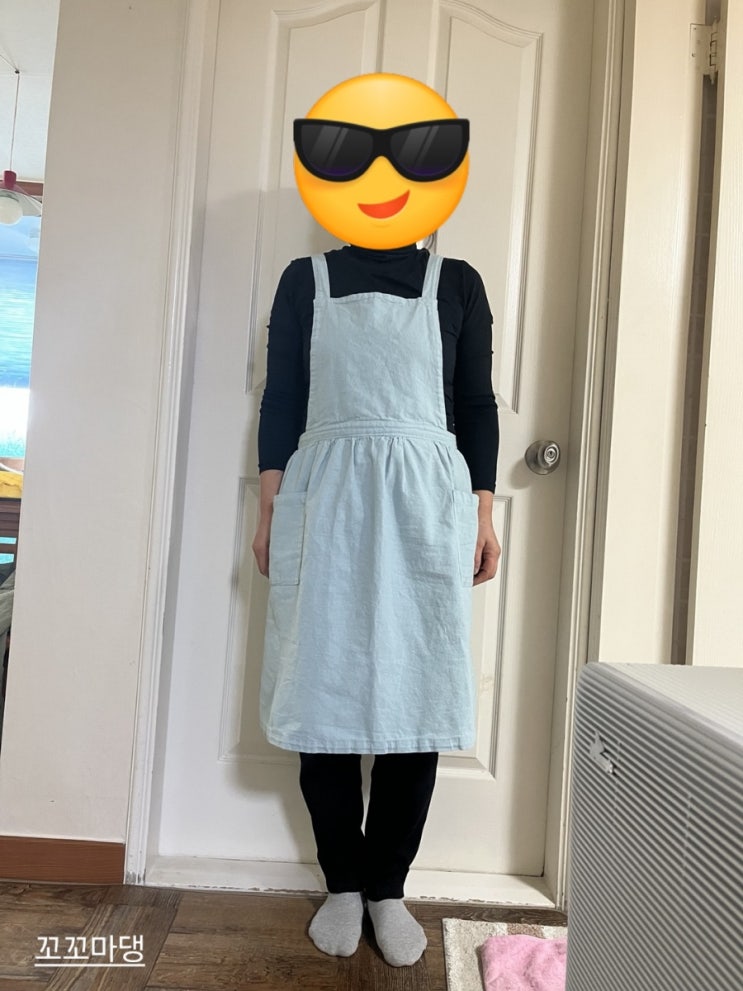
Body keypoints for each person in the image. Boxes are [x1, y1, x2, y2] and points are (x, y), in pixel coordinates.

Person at [252, 74, 500, 968]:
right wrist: (270, 504)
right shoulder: (305, 280)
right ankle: (343, 882)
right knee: (323, 685)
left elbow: (475, 404)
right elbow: (282, 396)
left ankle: (388, 885)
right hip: (325, 497)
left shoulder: (456, 284)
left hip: (426, 503)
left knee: (413, 695)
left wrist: (482, 511)